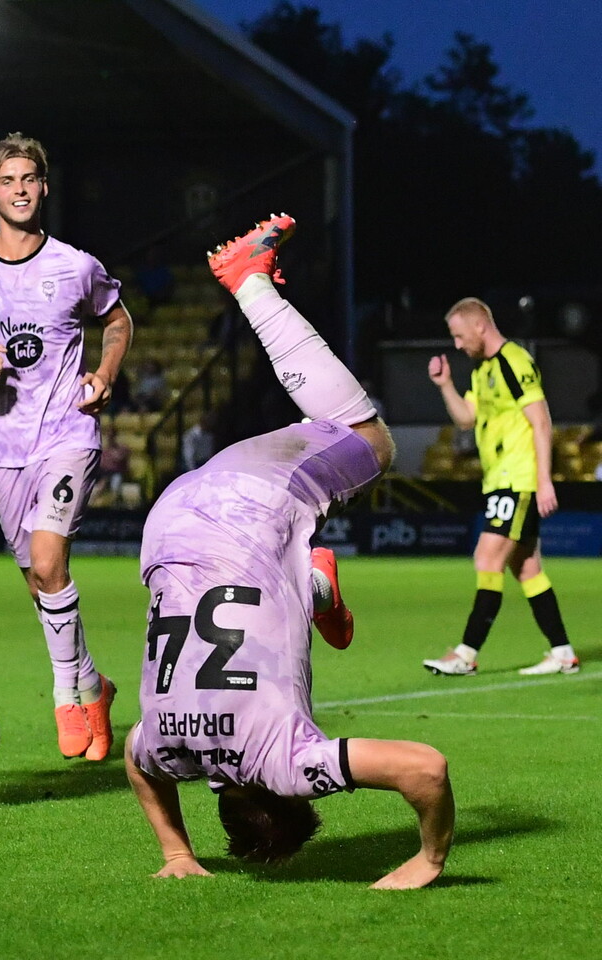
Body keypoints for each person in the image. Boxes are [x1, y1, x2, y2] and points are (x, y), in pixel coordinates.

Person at [125, 215, 454, 890]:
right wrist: (177, 853)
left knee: (367, 441)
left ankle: (248, 282)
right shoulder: (167, 745)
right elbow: (136, 764)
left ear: (288, 797)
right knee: (321, 432)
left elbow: (427, 768)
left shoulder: (283, 765)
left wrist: (428, 858)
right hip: (169, 523)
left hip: (244, 511)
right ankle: (313, 587)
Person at [0, 133, 132, 760]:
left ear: (44, 187)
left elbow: (117, 319)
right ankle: (95, 684)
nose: (21, 189)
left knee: (51, 562)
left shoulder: (75, 266)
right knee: (40, 582)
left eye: (30, 178)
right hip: (2, 448)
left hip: (66, 435)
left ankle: (64, 695)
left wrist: (105, 373)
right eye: (9, 180)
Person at [421, 298, 579, 677]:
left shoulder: (514, 362)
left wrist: (543, 482)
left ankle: (465, 654)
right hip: (499, 480)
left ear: (480, 327)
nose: (457, 345)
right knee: (526, 567)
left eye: (460, 336)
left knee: (486, 557)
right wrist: (445, 386)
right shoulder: (482, 370)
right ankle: (563, 653)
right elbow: (465, 420)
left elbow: (541, 422)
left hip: (517, 479)